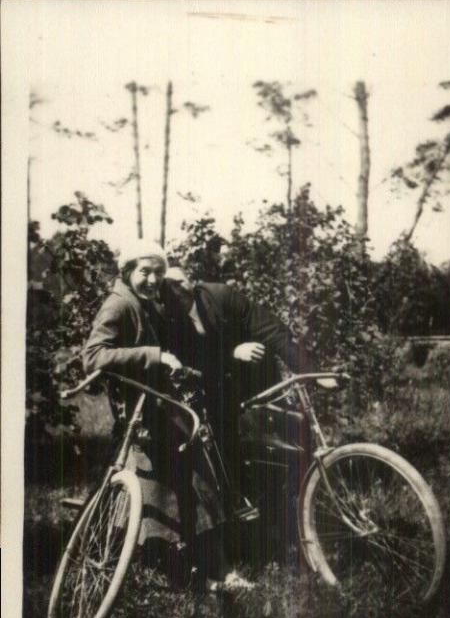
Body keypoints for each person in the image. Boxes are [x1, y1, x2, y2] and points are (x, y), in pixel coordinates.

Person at [160, 266, 338, 548]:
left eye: (179, 281)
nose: (175, 289)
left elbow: (272, 330)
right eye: (167, 285)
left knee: (289, 442)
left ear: (191, 281)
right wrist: (231, 354)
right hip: (215, 389)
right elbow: (189, 361)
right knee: (234, 456)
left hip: (258, 379)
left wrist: (313, 372)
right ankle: (252, 530)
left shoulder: (220, 296)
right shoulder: (168, 319)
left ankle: (297, 518)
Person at [82, 239, 226, 585]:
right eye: (144, 271)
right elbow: (94, 357)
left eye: (158, 273)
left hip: (156, 408)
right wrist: (153, 356)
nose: (151, 279)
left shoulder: (146, 304)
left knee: (192, 479)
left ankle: (202, 566)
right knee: (162, 488)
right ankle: (175, 567)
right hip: (139, 414)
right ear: (128, 271)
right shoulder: (118, 305)